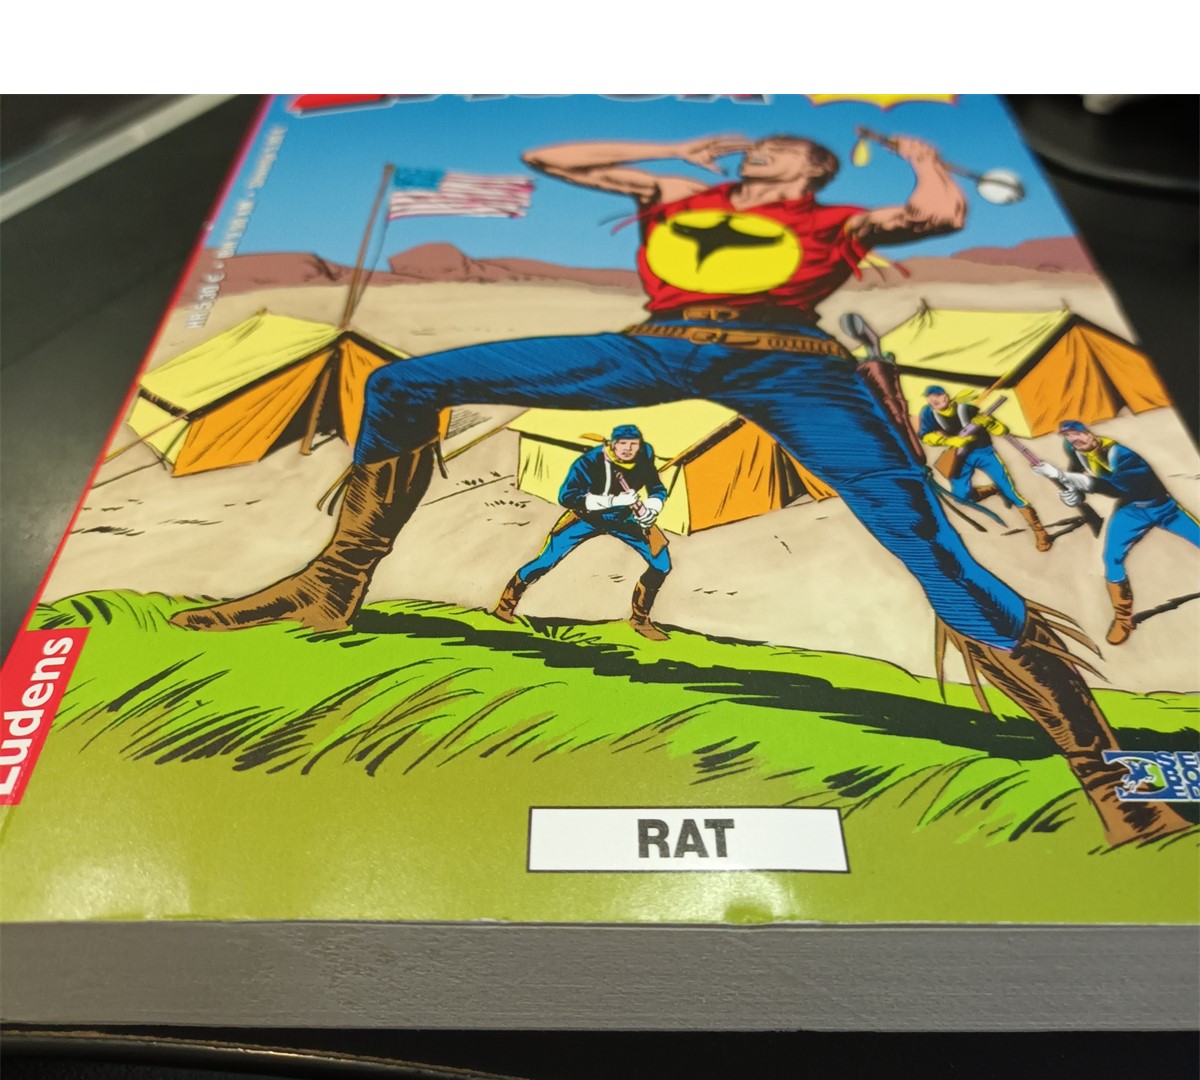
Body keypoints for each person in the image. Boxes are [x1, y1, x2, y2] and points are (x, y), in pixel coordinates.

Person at [169, 130, 1190, 846]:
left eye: (779, 152)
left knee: (933, 555)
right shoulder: (676, 197)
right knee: (403, 384)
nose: (760, 155)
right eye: (756, 148)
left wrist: (923, 156)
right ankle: (332, 584)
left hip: (794, 364)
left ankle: (1116, 785)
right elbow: (550, 160)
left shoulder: (839, 220)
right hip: (658, 347)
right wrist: (676, 151)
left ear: (814, 170)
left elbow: (939, 210)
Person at [493, 425, 672, 640]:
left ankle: (640, 619)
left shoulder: (644, 457)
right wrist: (612, 501)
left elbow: (657, 488)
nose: (628, 449)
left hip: (623, 518)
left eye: (633, 444)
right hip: (585, 517)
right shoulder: (589, 462)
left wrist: (651, 509)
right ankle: (505, 606)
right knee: (546, 560)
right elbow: (567, 496)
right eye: (622, 443)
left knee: (661, 563)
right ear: (612, 444)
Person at [1034, 420, 1200, 644]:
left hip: (1163, 508)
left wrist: (1065, 477)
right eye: (1068, 437)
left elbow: (1115, 488)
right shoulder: (1077, 450)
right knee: (1112, 557)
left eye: (1076, 434)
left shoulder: (1123, 454)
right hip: (1132, 511)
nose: (1074, 440)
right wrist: (1070, 493)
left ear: (1090, 433)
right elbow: (1077, 481)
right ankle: (1123, 618)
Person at [918, 385, 1052, 551]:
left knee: (1010, 492)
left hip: (984, 453)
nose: (934, 400)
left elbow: (1002, 430)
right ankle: (991, 489)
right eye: (930, 397)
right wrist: (950, 441)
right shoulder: (929, 413)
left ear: (946, 396)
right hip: (959, 456)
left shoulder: (968, 409)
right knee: (961, 497)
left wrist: (991, 423)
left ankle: (1039, 531)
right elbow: (925, 436)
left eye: (938, 395)